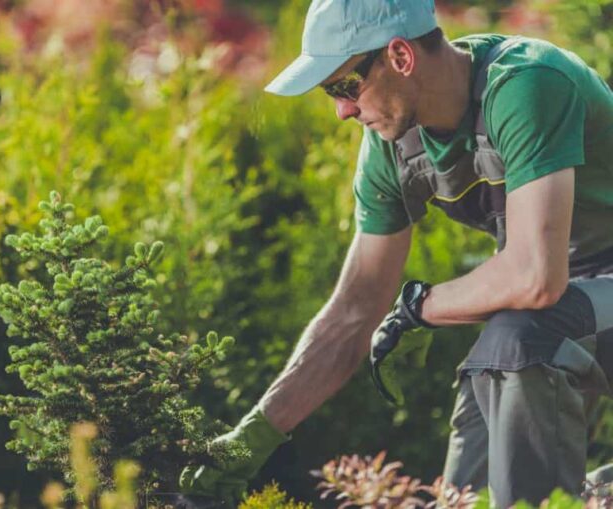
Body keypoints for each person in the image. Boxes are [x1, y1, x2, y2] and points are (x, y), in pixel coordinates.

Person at [180, 0, 613, 507]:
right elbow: (354, 310)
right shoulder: (392, 145)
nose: (342, 110)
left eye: (344, 86)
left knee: (520, 340)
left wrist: (417, 308)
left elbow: (536, 277)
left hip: (566, 295)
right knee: (482, 406)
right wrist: (252, 438)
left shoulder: (527, 83)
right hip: (574, 299)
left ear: (401, 56)